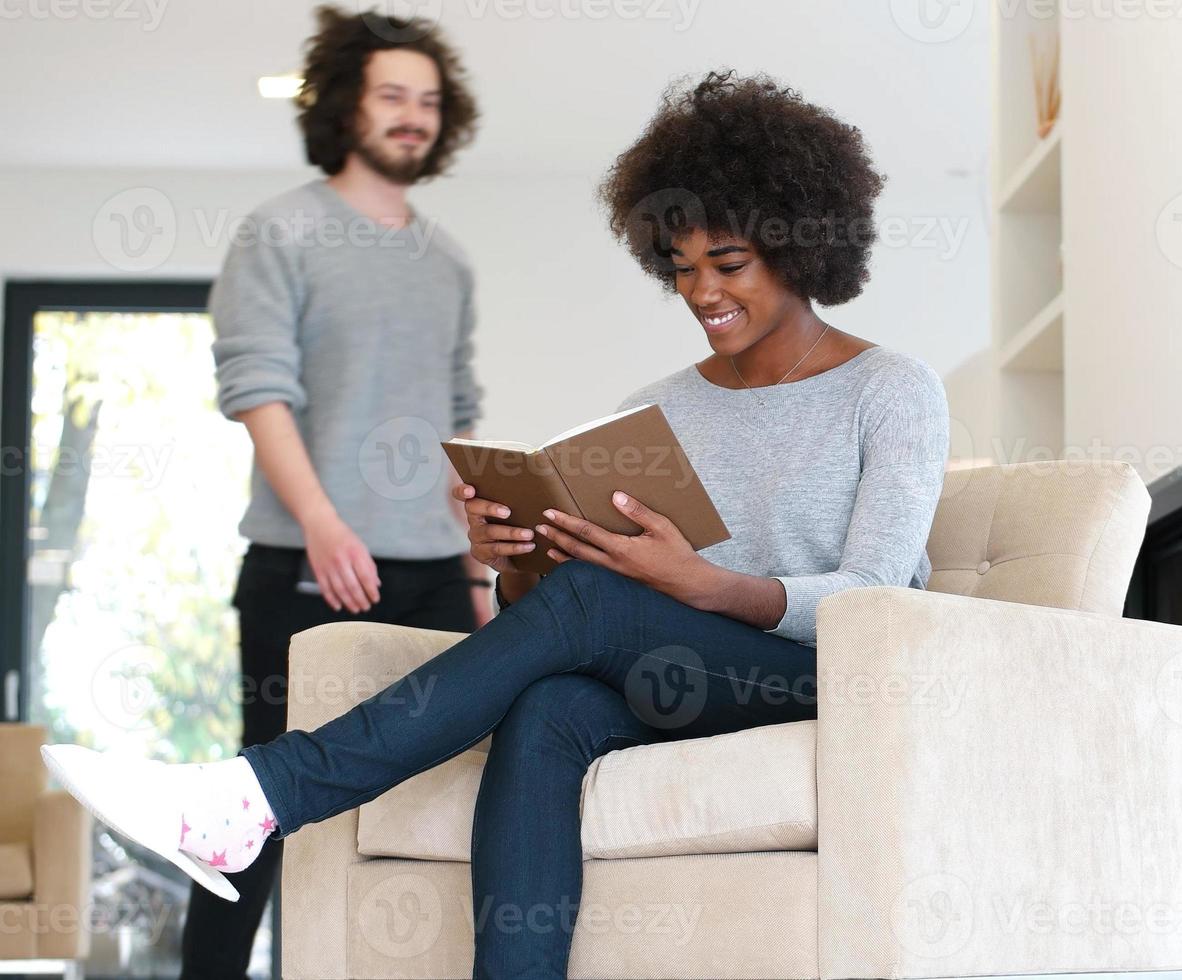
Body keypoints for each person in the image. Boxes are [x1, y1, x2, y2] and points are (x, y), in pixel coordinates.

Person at [45, 69, 949, 978]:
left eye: (728, 265)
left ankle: (259, 796)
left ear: (800, 246)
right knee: (549, 705)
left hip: (821, 679)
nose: (700, 294)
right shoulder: (657, 408)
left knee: (594, 607)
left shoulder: (889, 388)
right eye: (679, 269)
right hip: (677, 672)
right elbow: (571, 605)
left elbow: (873, 597)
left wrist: (700, 583)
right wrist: (512, 559)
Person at [180, 6, 491, 977]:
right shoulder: (280, 230)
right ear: (347, 106)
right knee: (258, 805)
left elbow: (459, 424)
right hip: (303, 564)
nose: (412, 116)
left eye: (429, 102)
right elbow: (257, 388)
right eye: (392, 95)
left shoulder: (448, 261)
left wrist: (481, 571)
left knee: (448, 789)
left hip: (436, 574)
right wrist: (321, 521)